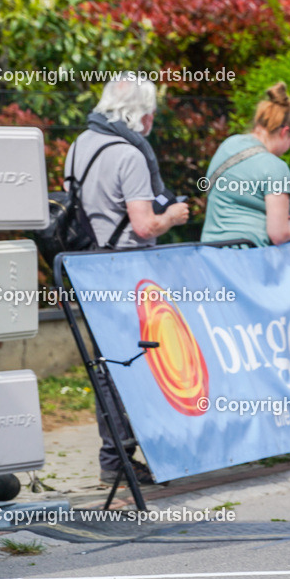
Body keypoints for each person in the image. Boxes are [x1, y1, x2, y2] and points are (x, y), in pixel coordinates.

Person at [67, 76, 190, 485]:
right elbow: (144, 224)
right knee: (138, 362)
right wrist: (173, 216)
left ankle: (113, 457)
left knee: (107, 365)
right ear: (140, 112)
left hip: (88, 265)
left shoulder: (79, 144)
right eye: (151, 109)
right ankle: (129, 456)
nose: (153, 118)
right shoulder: (129, 155)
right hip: (126, 270)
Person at [200, 82, 290, 246]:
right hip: (249, 258)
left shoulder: (227, 145)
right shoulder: (275, 167)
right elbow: (279, 234)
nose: (289, 148)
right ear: (285, 132)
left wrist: (288, 227)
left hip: (210, 254)